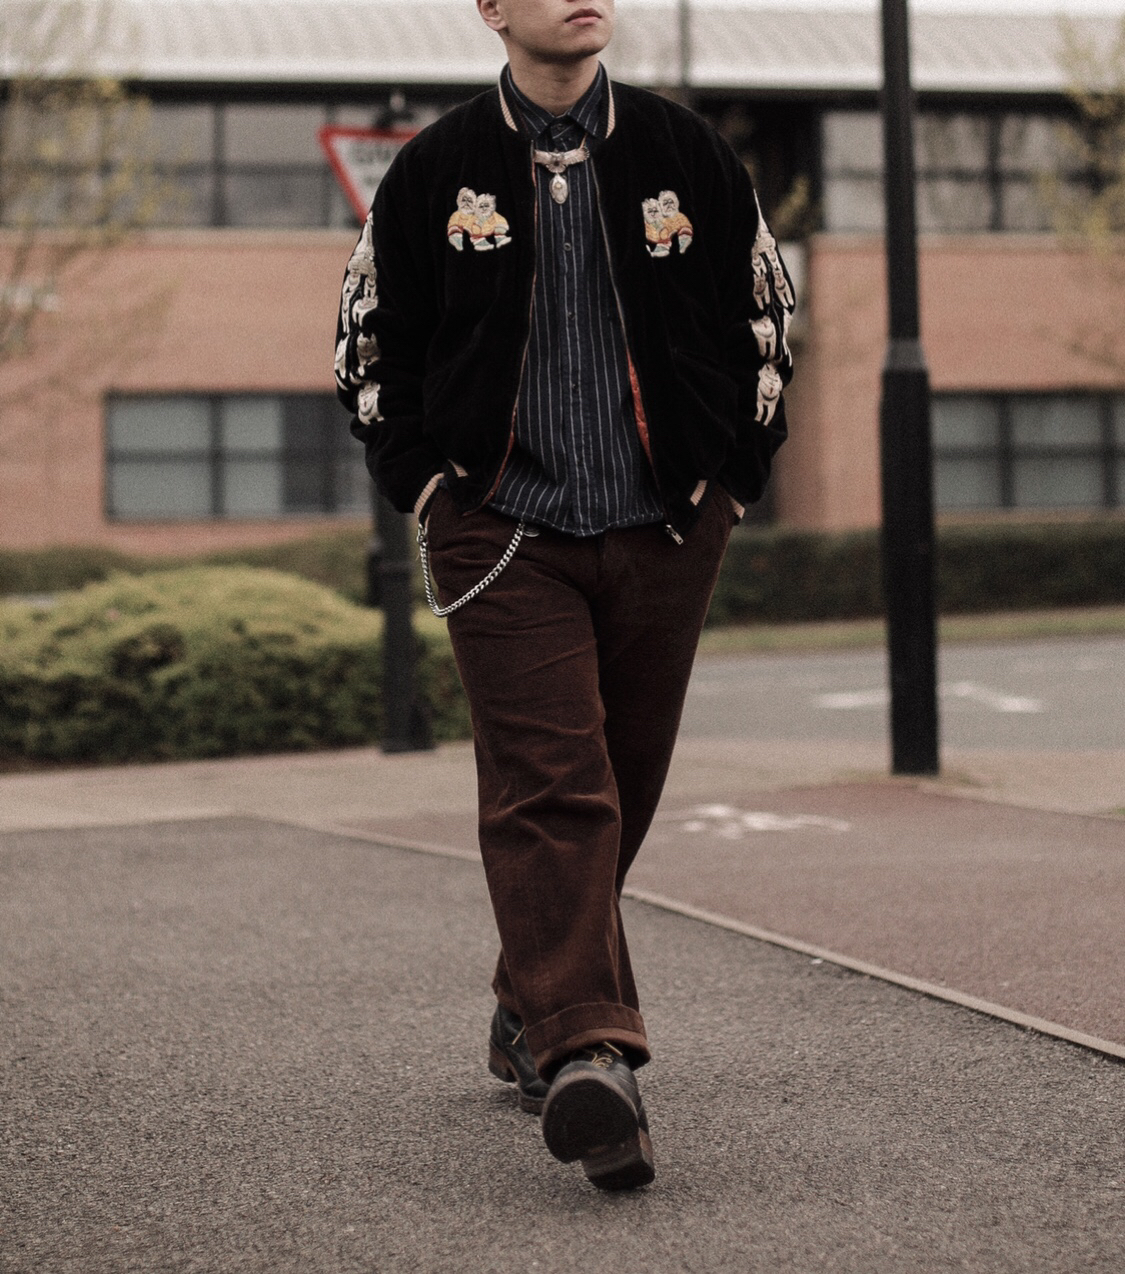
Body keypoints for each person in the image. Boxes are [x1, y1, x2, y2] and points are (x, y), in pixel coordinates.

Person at [335, 0, 794, 1192]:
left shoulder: (687, 153)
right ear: (491, 8)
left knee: (622, 783)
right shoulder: (434, 170)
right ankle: (592, 1055)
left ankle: (525, 996)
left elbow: (764, 319)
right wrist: (433, 491)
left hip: (665, 523)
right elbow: (367, 346)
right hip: (504, 533)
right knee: (555, 782)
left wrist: (729, 481)